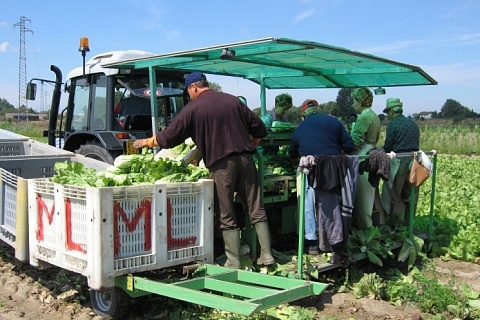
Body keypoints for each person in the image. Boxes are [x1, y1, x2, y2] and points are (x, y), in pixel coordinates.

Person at [132, 71, 275, 269]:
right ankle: (266, 255)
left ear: (194, 87)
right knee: (256, 208)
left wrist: (148, 141)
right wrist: (249, 145)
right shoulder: (233, 101)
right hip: (247, 160)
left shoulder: (193, 108)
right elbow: (259, 127)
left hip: (222, 166)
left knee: (226, 212)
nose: (189, 95)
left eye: (188, 91)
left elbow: (170, 136)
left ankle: (233, 261)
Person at [289, 101, 356, 260]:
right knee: (331, 206)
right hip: (332, 172)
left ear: (304, 114)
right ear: (318, 110)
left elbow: (292, 153)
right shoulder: (334, 122)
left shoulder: (300, 128)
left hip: (310, 171)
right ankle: (335, 244)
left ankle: (312, 242)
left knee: (308, 204)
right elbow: (349, 146)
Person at [381, 98, 420, 227]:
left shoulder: (393, 125)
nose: (388, 115)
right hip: (414, 161)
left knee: (392, 195)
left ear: (392, 111)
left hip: (400, 161)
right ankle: (408, 225)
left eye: (388, 113)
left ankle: (391, 225)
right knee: (410, 196)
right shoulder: (412, 123)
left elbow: (388, 146)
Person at [350, 87, 382, 229]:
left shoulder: (364, 117)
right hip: (372, 153)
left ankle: (364, 230)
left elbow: (355, 141)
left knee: (362, 201)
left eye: (354, 101)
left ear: (360, 101)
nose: (353, 104)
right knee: (370, 198)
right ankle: (373, 226)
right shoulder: (375, 116)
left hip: (364, 157)